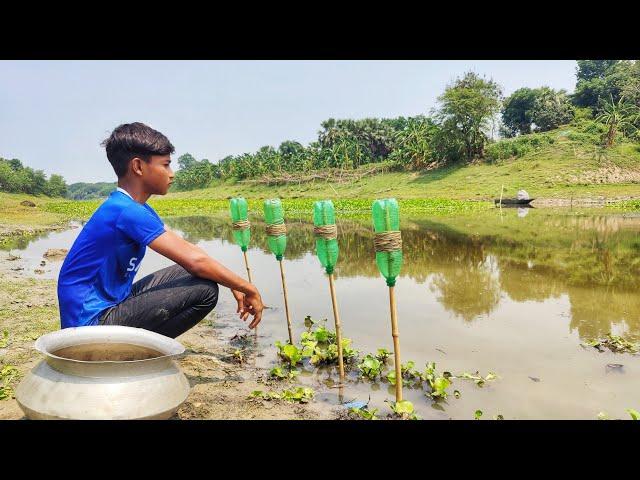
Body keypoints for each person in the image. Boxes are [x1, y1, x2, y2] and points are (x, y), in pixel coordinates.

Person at [57, 122, 263, 338]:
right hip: (88, 327)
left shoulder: (135, 207)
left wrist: (233, 283)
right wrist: (249, 288)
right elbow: (197, 262)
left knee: (189, 271)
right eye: (165, 165)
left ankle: (133, 347)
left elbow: (190, 252)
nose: (171, 174)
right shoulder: (125, 211)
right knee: (205, 291)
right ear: (138, 167)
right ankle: (132, 354)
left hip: (111, 305)